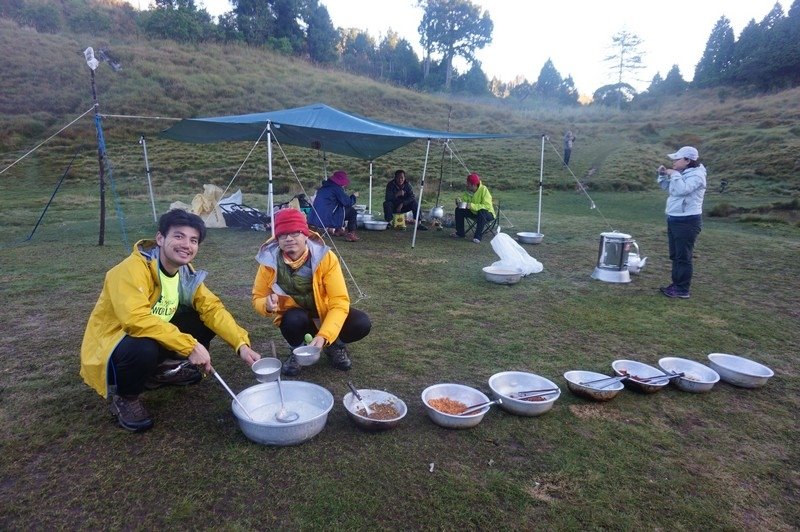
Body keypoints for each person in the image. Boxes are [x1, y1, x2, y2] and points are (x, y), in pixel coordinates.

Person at [80, 209, 262, 432]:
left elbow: (212, 308)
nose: (186, 244)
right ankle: (126, 398)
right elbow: (135, 320)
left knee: (202, 319)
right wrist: (190, 345)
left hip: (153, 332)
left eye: (193, 240)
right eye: (178, 236)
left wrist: (240, 344)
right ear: (160, 238)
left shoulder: (184, 272)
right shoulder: (129, 270)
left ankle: (159, 373)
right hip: (114, 345)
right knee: (143, 346)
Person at [252, 208, 372, 376]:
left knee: (362, 322)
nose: (289, 239)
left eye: (295, 233)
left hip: (325, 315)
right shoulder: (269, 262)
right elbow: (257, 297)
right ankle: (297, 351)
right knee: (292, 318)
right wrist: (266, 304)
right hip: (299, 320)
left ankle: (334, 346)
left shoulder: (326, 258)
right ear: (277, 238)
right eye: (283, 234)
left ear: (305, 234)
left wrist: (324, 335)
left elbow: (339, 301)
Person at [657, 146, 707, 299]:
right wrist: (662, 176)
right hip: (674, 218)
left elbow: (682, 190)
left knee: (683, 256)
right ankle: (676, 285)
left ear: (687, 160)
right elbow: (669, 188)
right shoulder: (683, 173)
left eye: (676, 159)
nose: (673, 162)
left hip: (687, 221)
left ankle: (682, 289)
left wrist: (674, 174)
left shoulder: (697, 176)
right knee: (675, 255)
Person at [307, 170, 360, 242]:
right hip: (326, 218)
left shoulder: (323, 188)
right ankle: (351, 234)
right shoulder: (336, 189)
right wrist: (354, 196)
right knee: (352, 211)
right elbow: (347, 203)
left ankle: (338, 230)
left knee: (339, 209)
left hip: (314, 218)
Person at [450, 172, 495, 244]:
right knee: (458, 210)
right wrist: (460, 204)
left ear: (473, 185)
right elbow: (465, 202)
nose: (466, 185)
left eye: (468, 184)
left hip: (488, 214)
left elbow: (487, 206)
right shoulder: (468, 191)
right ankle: (460, 233)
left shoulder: (484, 190)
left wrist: (472, 206)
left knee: (482, 211)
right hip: (474, 212)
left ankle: (477, 237)